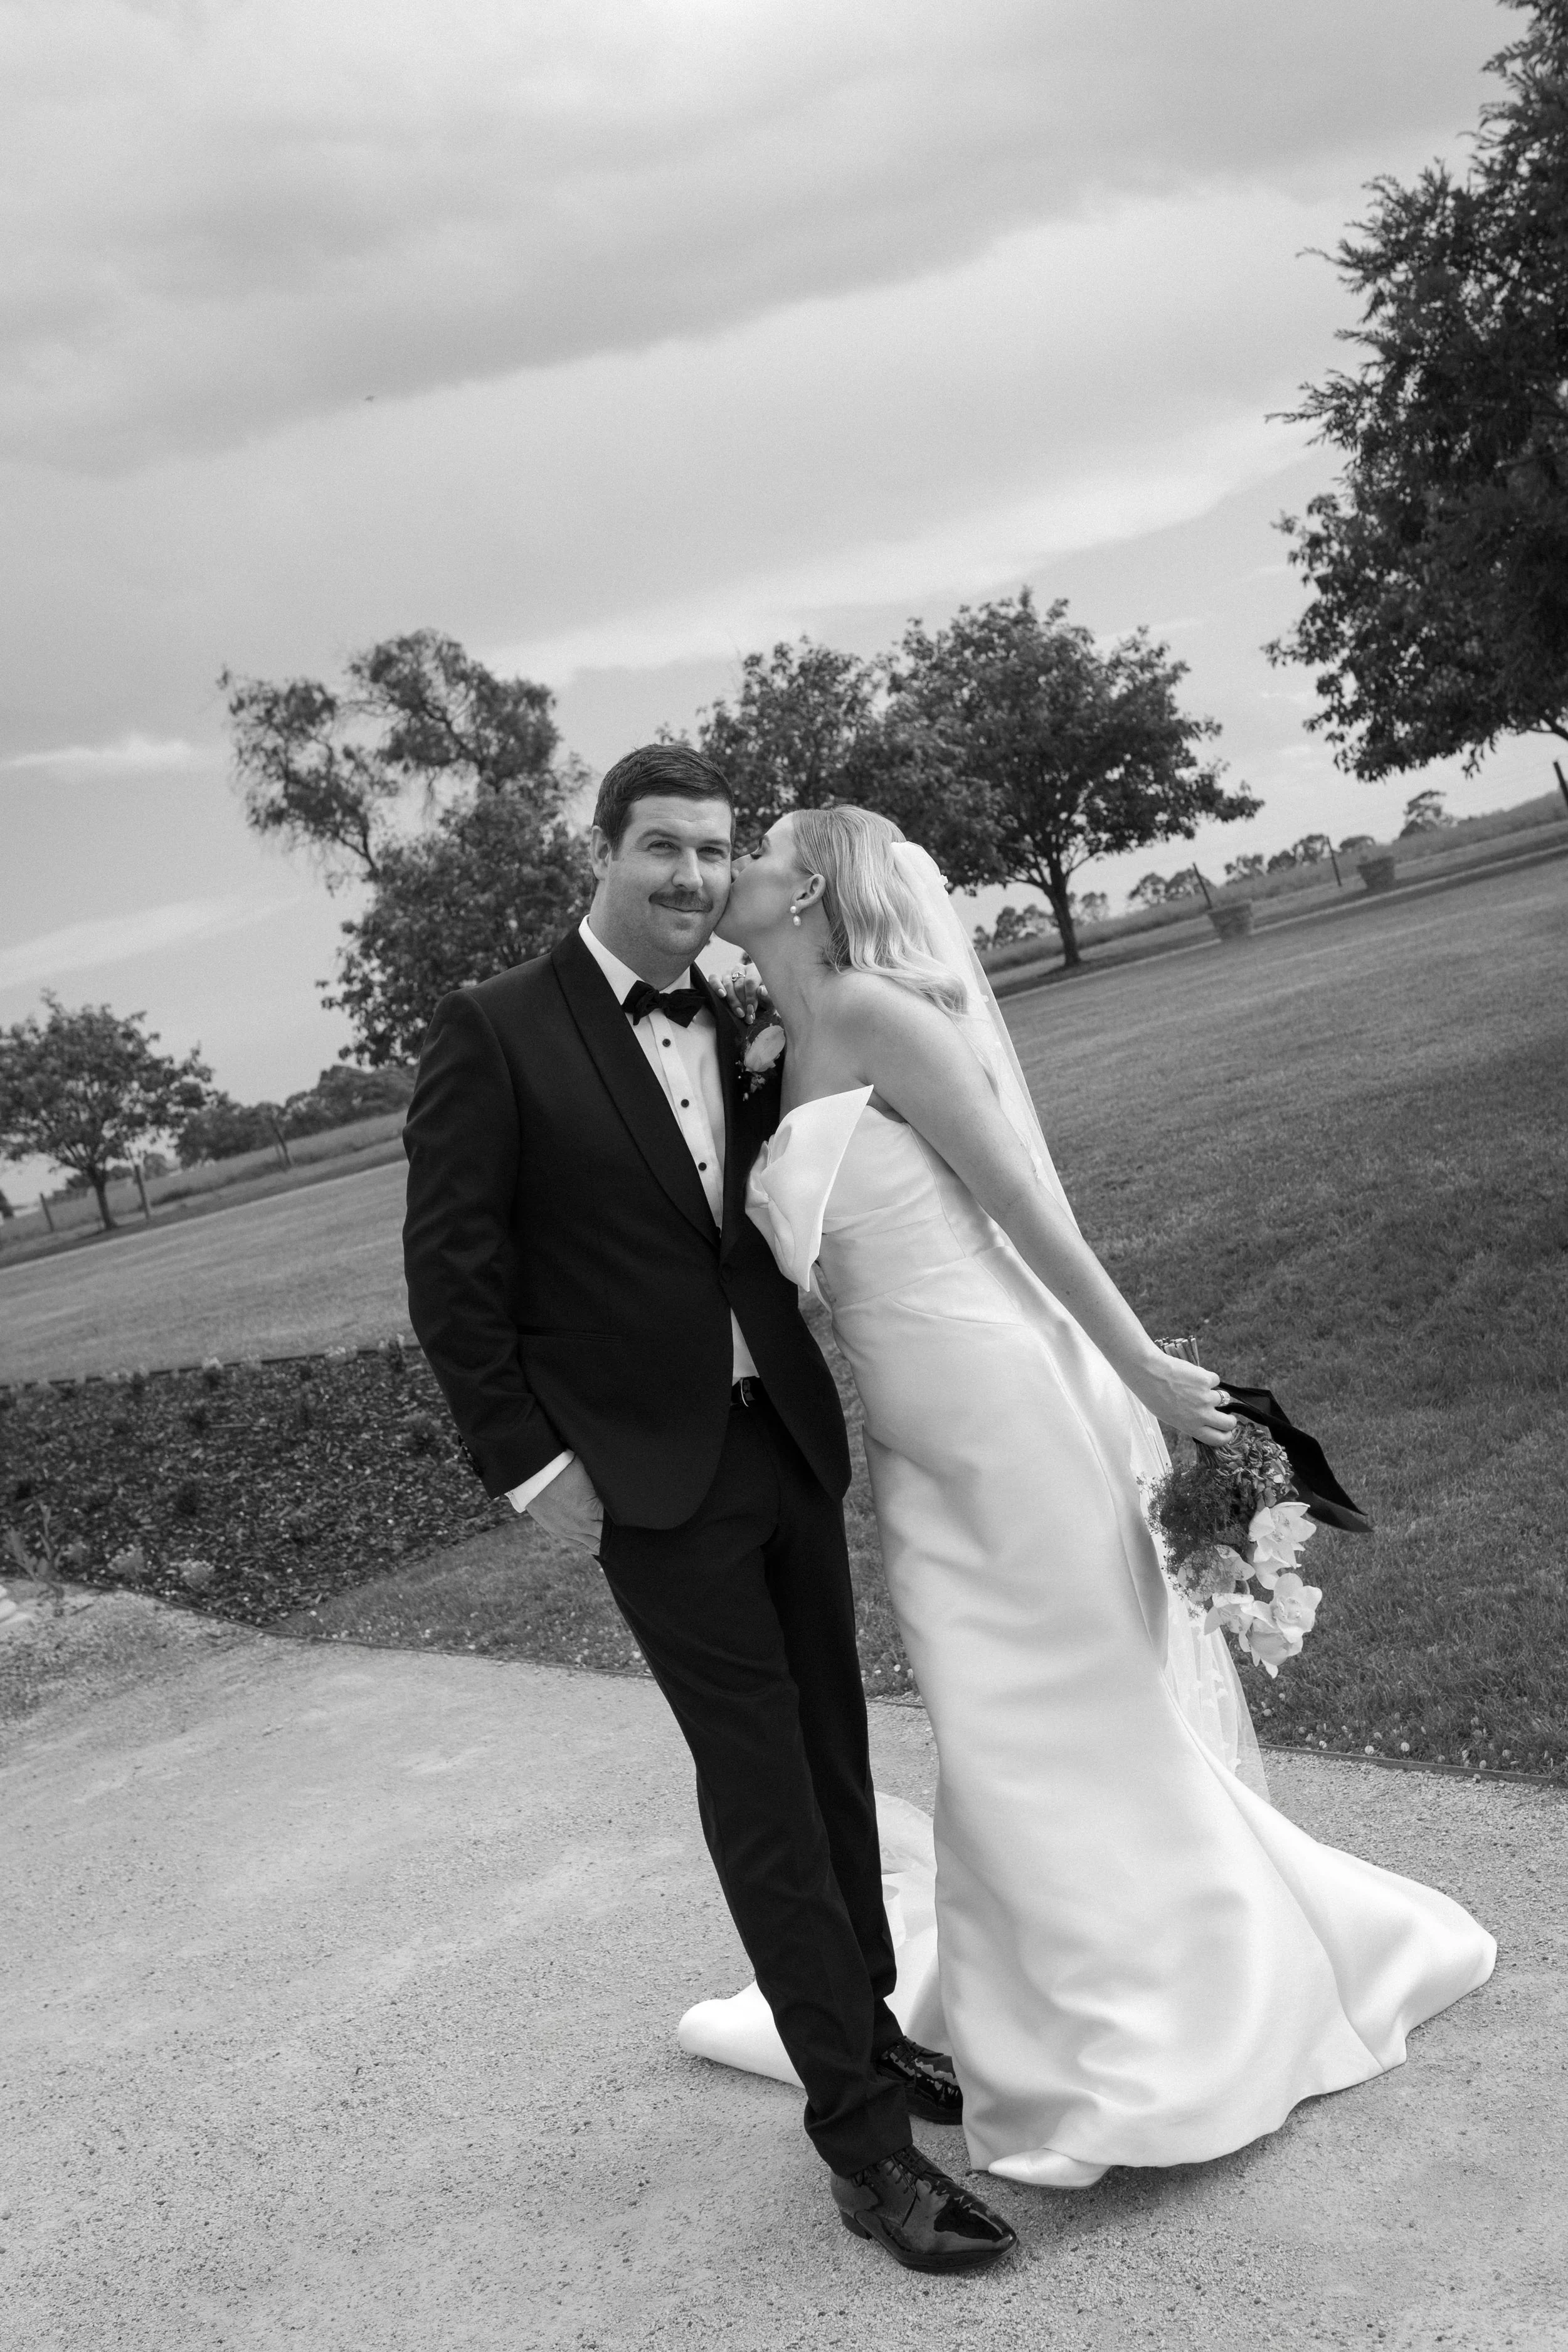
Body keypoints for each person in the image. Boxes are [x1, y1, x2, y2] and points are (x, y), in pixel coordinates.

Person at [708, 803, 1495, 2190]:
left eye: (757, 851)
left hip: (1011, 1409)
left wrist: (1139, 1368)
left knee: (1068, 1706)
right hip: (913, 1442)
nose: (734, 871)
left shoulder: (889, 1018)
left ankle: (1169, 2035)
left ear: (810, 891)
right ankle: (1049, 2019)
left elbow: (1023, 1206)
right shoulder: (768, 1047)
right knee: (984, 1715)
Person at [401, 745, 1017, 2274]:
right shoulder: (492, 1034)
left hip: (782, 1441)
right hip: (646, 1482)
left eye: (710, 852)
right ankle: (865, 2150)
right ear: (601, 851)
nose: (688, 877)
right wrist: (533, 1467)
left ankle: (867, 2029)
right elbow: (453, 1273)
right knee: (760, 1794)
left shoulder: (750, 1020)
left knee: (831, 1752)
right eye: (660, 847)